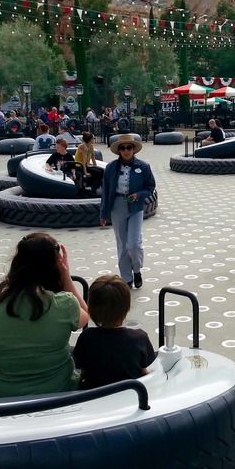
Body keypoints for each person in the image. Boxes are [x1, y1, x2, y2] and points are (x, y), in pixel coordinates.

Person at [0, 233, 89, 399]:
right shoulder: (65, 304)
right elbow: (85, 317)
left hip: (1, 399)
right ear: (54, 267)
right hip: (60, 394)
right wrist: (66, 277)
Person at [72, 275, 156, 390]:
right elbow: (145, 368)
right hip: (130, 395)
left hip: (94, 396)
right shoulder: (139, 338)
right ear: (127, 307)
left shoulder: (87, 337)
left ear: (91, 308)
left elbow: (81, 365)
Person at [100, 134, 156, 289]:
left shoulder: (143, 167)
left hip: (135, 207)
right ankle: (126, 278)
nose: (126, 151)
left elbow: (150, 188)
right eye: (123, 148)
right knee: (122, 245)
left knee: (134, 244)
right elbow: (106, 191)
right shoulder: (111, 167)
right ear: (119, 150)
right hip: (117, 206)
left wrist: (138, 195)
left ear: (134, 149)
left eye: (129, 148)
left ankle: (137, 270)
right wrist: (103, 213)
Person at [75, 131, 103, 196]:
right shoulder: (82, 147)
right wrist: (85, 172)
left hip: (86, 165)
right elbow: (83, 161)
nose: (94, 140)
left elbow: (93, 158)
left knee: (101, 171)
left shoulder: (91, 146)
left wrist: (95, 166)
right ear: (91, 139)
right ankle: (88, 187)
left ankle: (95, 187)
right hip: (79, 166)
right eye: (94, 138)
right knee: (96, 172)